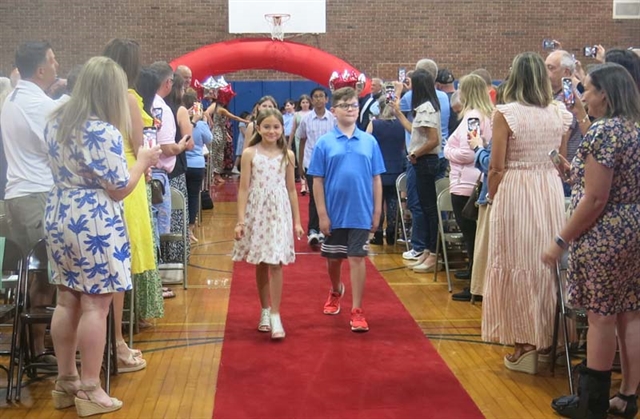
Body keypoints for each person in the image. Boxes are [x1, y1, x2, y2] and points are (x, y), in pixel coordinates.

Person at [44, 56, 161, 416]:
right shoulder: (103, 131)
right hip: (93, 220)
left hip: (59, 212)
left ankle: (66, 382)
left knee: (67, 301)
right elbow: (118, 189)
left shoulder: (55, 122)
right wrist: (143, 160)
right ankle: (91, 389)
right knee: (96, 305)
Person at [542, 63, 640, 419]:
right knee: (630, 312)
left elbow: (596, 199)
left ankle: (592, 403)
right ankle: (627, 396)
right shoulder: (632, 129)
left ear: (605, 94)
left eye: (588, 89)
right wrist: (574, 174)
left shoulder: (604, 132)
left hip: (606, 232)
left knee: (600, 316)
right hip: (632, 225)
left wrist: (561, 239)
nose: (583, 96)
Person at [482, 52, 573, 375]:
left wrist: (494, 196)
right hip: (548, 187)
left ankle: (524, 344)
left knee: (517, 260)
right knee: (546, 266)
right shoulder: (560, 113)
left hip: (516, 188)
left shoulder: (506, 113)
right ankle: (551, 341)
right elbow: (560, 162)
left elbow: (496, 166)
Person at [308, 87, 385, 332]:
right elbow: (317, 180)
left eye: (354, 105)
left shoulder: (369, 141)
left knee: (357, 258)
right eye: (345, 106)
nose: (351, 109)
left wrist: (376, 212)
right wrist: (322, 214)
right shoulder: (324, 143)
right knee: (334, 260)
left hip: (361, 212)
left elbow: (376, 179)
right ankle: (335, 289)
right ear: (334, 111)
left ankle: (357, 309)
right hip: (334, 212)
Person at [1, 40, 60, 363]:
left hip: (19, 194)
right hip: (35, 194)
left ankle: (31, 346)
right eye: (52, 60)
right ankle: (36, 350)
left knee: (32, 273)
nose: (56, 65)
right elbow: (59, 149)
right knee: (43, 274)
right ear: (40, 69)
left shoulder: (15, 96)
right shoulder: (38, 105)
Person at [102, 37, 157, 372]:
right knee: (121, 262)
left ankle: (111, 338)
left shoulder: (94, 98)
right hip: (128, 179)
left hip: (99, 180)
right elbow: (139, 147)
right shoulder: (129, 99)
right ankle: (118, 341)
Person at [232, 108, 304, 340]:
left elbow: (292, 190)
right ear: (259, 128)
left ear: (282, 128)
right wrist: (240, 220)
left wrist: (297, 221)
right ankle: (264, 309)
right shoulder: (250, 154)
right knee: (262, 262)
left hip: (279, 212)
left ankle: (275, 314)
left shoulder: (288, 155)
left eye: (276, 127)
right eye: (267, 127)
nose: (271, 131)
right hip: (257, 212)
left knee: (276, 262)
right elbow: (243, 188)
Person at [445, 74, 493, 300]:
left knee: (471, 235)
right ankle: (474, 277)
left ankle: (476, 285)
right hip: (471, 179)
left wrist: (448, 152)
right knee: (473, 235)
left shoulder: (473, 117)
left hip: (466, 182)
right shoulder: (486, 114)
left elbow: (469, 152)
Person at [392, 68, 442, 273]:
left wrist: (416, 154)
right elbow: (416, 132)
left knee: (429, 210)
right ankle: (428, 252)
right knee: (425, 206)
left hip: (426, 161)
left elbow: (432, 140)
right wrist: (397, 113)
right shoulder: (424, 108)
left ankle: (432, 252)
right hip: (423, 160)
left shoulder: (427, 108)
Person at [297, 87, 336, 246]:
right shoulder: (306, 119)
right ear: (312, 100)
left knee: (329, 197)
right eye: (316, 97)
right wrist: (300, 164)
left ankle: (326, 229)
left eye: (321, 96)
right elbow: (302, 140)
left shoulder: (333, 119)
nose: (319, 99)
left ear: (327, 99)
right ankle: (313, 230)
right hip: (311, 163)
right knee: (315, 198)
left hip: (330, 164)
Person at [366, 95, 406, 245]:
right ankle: (392, 233)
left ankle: (376, 233)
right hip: (396, 167)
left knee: (377, 200)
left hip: (378, 169)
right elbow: (404, 146)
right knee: (393, 201)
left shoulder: (374, 124)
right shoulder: (401, 125)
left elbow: (366, 144)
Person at [184, 90, 213, 242]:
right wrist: (205, 123)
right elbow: (209, 139)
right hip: (197, 163)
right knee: (194, 197)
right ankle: (190, 230)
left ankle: (180, 229)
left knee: (182, 197)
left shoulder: (180, 121)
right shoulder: (200, 124)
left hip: (182, 163)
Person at [288, 94, 312, 193]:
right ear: (300, 104)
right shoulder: (296, 115)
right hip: (299, 139)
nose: (305, 104)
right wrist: (289, 143)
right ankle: (303, 185)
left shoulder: (312, 113)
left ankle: (309, 184)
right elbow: (293, 130)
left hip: (310, 139)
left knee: (309, 160)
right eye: (303, 102)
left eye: (307, 102)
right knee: (300, 159)